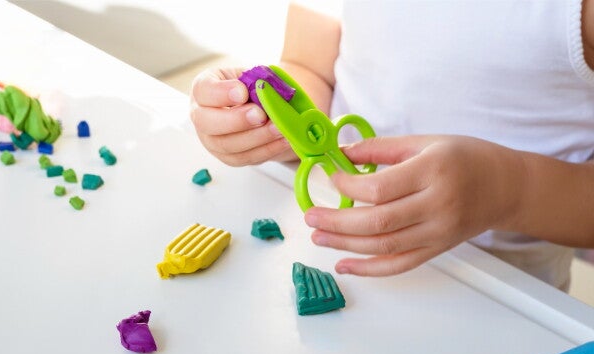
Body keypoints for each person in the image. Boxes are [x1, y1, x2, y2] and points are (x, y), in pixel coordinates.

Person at [190, 1, 594, 290]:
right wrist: (270, 122)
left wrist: (509, 189)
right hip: (327, 259)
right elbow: (311, 66)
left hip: (498, 295)